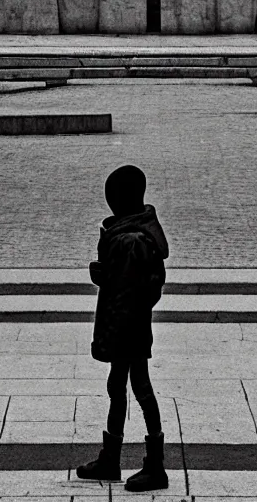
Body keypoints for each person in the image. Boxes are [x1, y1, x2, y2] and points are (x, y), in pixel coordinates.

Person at [76, 165, 169, 492]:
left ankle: (154, 465)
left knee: (139, 388)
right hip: (130, 326)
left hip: (126, 329)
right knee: (118, 386)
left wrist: (106, 277)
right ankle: (111, 458)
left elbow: (126, 292)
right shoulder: (132, 234)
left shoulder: (130, 240)